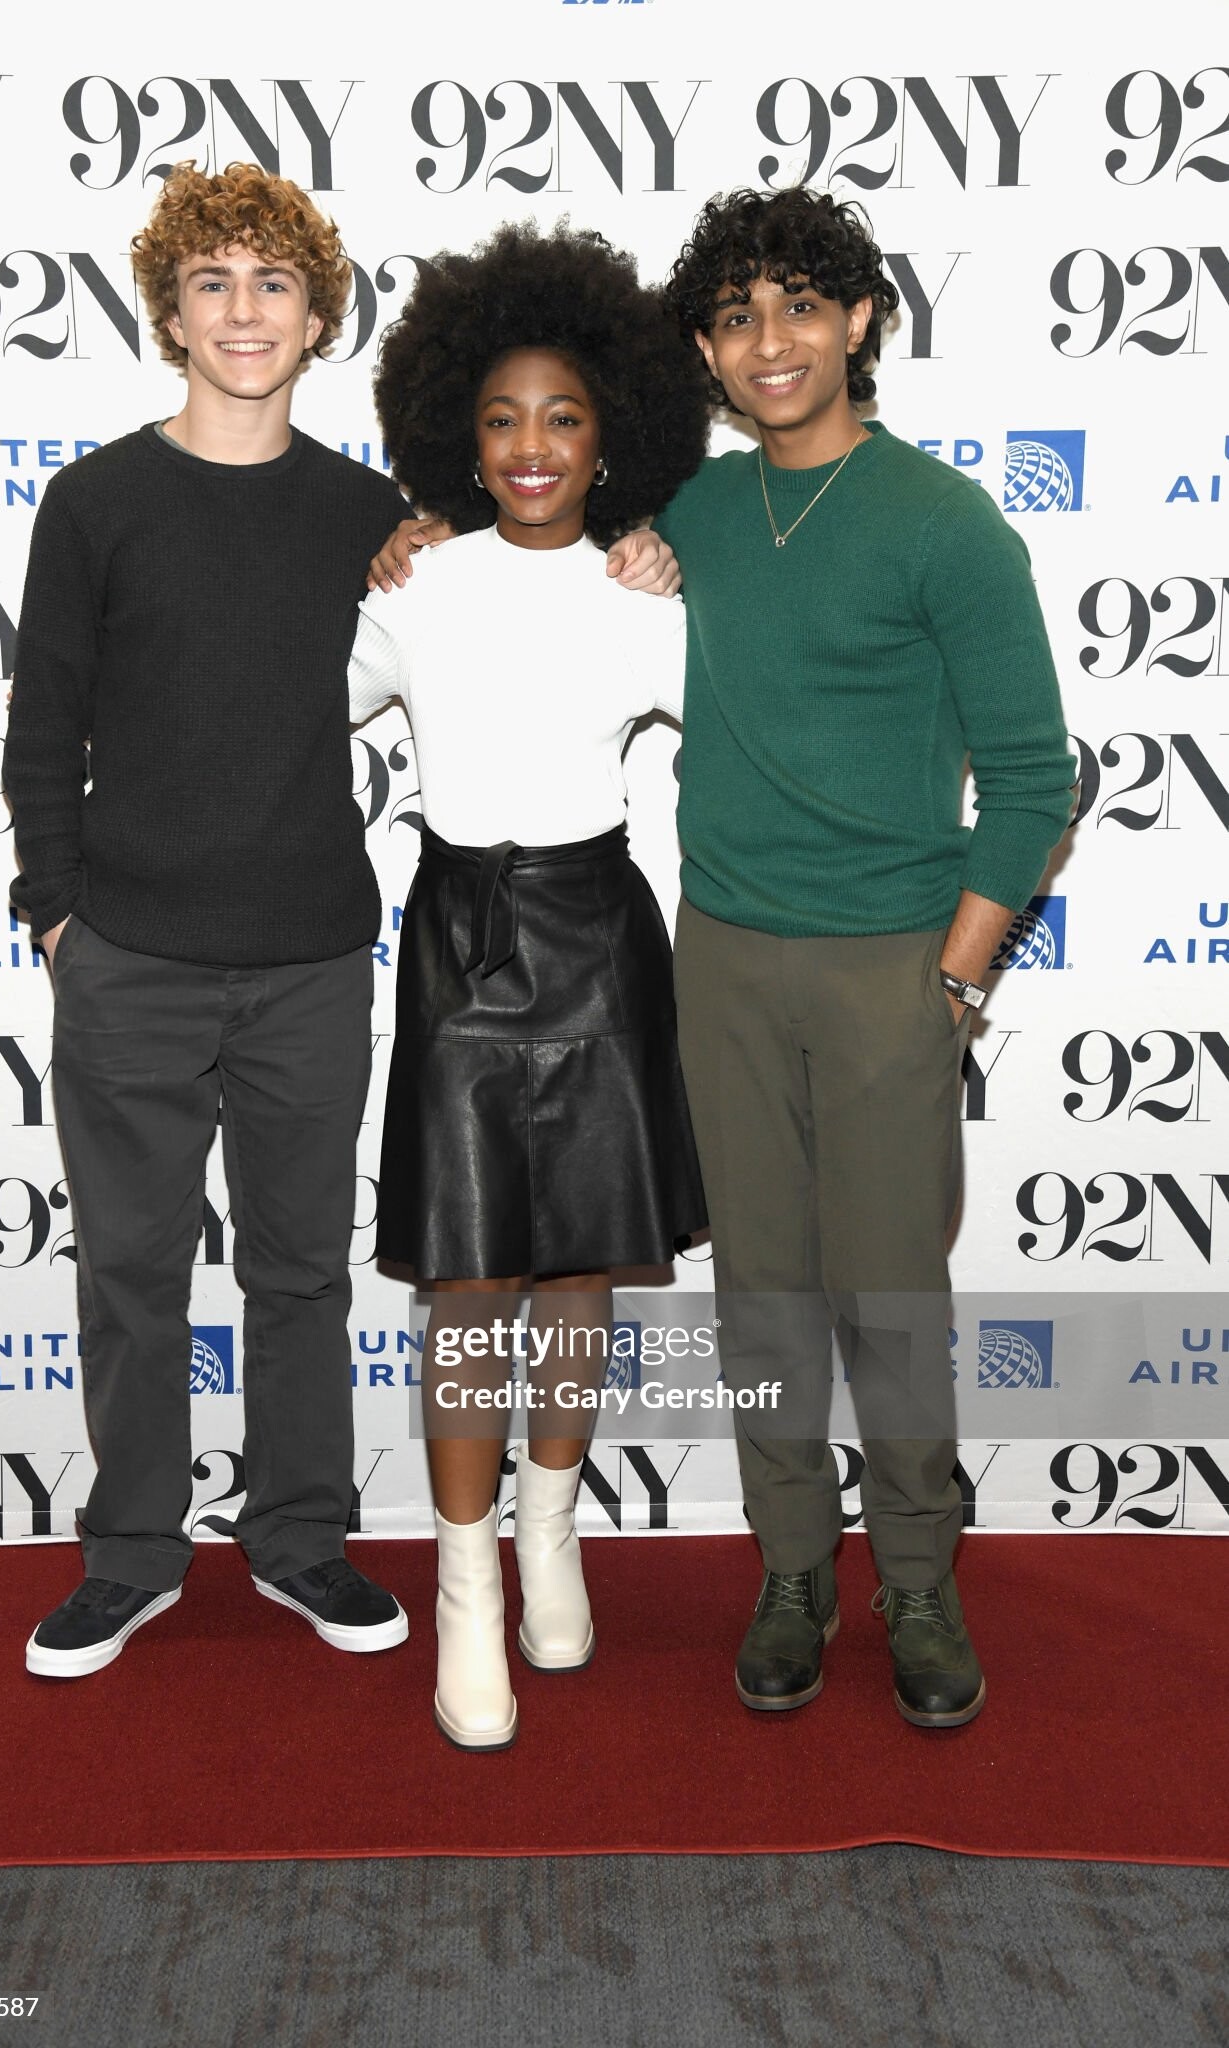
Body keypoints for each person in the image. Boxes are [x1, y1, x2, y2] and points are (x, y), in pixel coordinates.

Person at [655, 187, 1075, 1726]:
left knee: (889, 1298)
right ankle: (788, 1568)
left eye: (798, 304)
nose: (768, 340)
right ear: (705, 350)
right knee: (759, 1293)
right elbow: (525, 514)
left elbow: (1031, 781)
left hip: (891, 966)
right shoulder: (689, 513)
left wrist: (954, 981)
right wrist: (411, 536)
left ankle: (914, 1577)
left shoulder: (943, 524)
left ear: (859, 318)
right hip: (720, 959)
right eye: (735, 315)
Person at [3, 161, 418, 1676]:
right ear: (170, 313)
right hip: (128, 957)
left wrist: (649, 544)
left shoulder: (375, 519)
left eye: (273, 283)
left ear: (318, 319)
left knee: (301, 1271)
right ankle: (131, 1551)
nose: (244, 311)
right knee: (129, 1274)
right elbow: (42, 728)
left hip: (312, 956)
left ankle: (301, 1538)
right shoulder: (95, 502)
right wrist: (59, 915)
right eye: (212, 283)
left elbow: (532, 571)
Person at [350, 222, 710, 1749]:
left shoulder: (646, 596)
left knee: (575, 1272)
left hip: (597, 940)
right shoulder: (415, 586)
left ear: (609, 431)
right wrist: (367, 553)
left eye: (562, 415)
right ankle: (465, 1587)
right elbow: (281, 716)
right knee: (467, 1283)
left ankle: (550, 1534)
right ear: (458, 431)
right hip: (457, 942)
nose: (531, 446)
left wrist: (678, 558)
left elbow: (752, 738)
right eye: (499, 417)